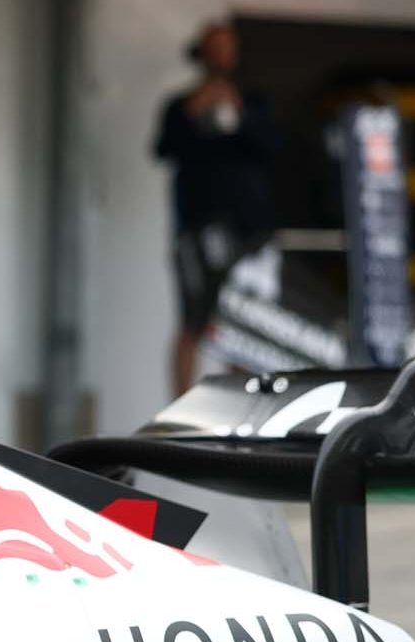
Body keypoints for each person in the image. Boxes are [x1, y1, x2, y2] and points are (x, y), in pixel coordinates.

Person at [153, 20, 277, 395]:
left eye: (227, 46)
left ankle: (237, 406)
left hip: (247, 229)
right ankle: (177, 411)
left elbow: (272, 147)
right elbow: (163, 149)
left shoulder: (252, 101)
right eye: (214, 46)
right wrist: (196, 110)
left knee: (241, 323)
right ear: (202, 52)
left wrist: (239, 112)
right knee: (193, 320)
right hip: (196, 228)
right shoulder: (181, 105)